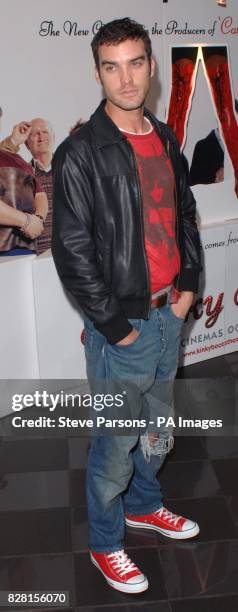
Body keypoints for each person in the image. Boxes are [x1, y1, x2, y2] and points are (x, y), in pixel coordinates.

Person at [52, 18, 201, 594]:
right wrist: (116, 330)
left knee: (157, 430)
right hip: (126, 329)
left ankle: (145, 507)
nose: (126, 77)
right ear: (98, 74)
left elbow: (183, 215)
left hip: (168, 316)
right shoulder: (80, 152)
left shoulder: (164, 139)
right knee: (115, 446)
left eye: (135, 62)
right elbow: (73, 252)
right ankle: (106, 544)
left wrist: (186, 292)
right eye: (111, 66)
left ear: (152, 66)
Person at [0, 116, 47, 255]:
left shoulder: (20, 162)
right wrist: (26, 221)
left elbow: (39, 193)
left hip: (27, 249)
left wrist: (37, 220)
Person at [25, 118, 54, 254]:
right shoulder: (21, 176)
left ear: (53, 137)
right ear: (26, 144)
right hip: (39, 254)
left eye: (45, 132)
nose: (41, 137)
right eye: (35, 134)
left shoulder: (70, 167)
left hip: (73, 250)